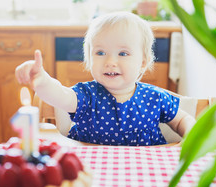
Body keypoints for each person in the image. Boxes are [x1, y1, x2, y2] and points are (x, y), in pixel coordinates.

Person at [15, 11, 195, 146]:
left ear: (142, 62)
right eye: (100, 52)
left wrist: (189, 139)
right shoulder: (86, 96)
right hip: (92, 175)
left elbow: (182, 120)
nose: (110, 62)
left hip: (144, 174)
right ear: (89, 59)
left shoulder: (155, 98)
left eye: (123, 53)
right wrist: (41, 79)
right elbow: (58, 94)